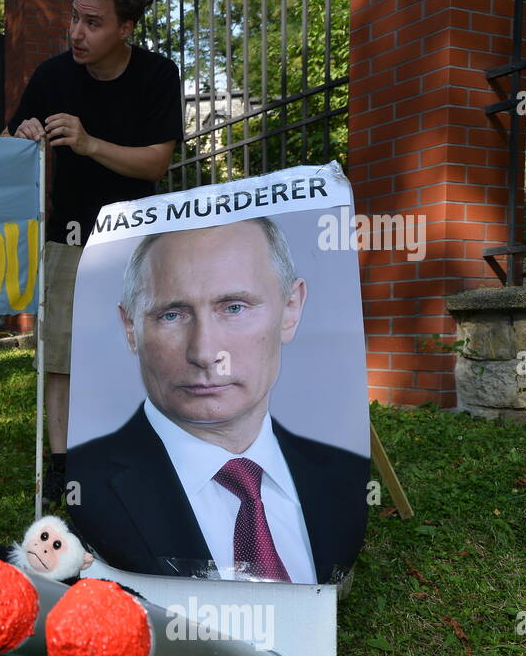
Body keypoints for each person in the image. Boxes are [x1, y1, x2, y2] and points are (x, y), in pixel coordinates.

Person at [67, 217, 370, 582]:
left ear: (291, 308)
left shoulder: (345, 474)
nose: (205, 352)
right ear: (131, 328)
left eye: (234, 307)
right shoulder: (86, 488)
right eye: (172, 314)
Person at [3, 0, 183, 503]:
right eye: (75, 19)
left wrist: (88, 143)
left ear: (126, 28)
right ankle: (63, 464)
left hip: (136, 236)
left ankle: (142, 448)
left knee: (143, 348)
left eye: (93, 23)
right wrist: (25, 133)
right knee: (59, 354)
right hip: (69, 234)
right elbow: (10, 136)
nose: (77, 33)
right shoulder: (53, 76)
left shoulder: (156, 75)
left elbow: (155, 163)